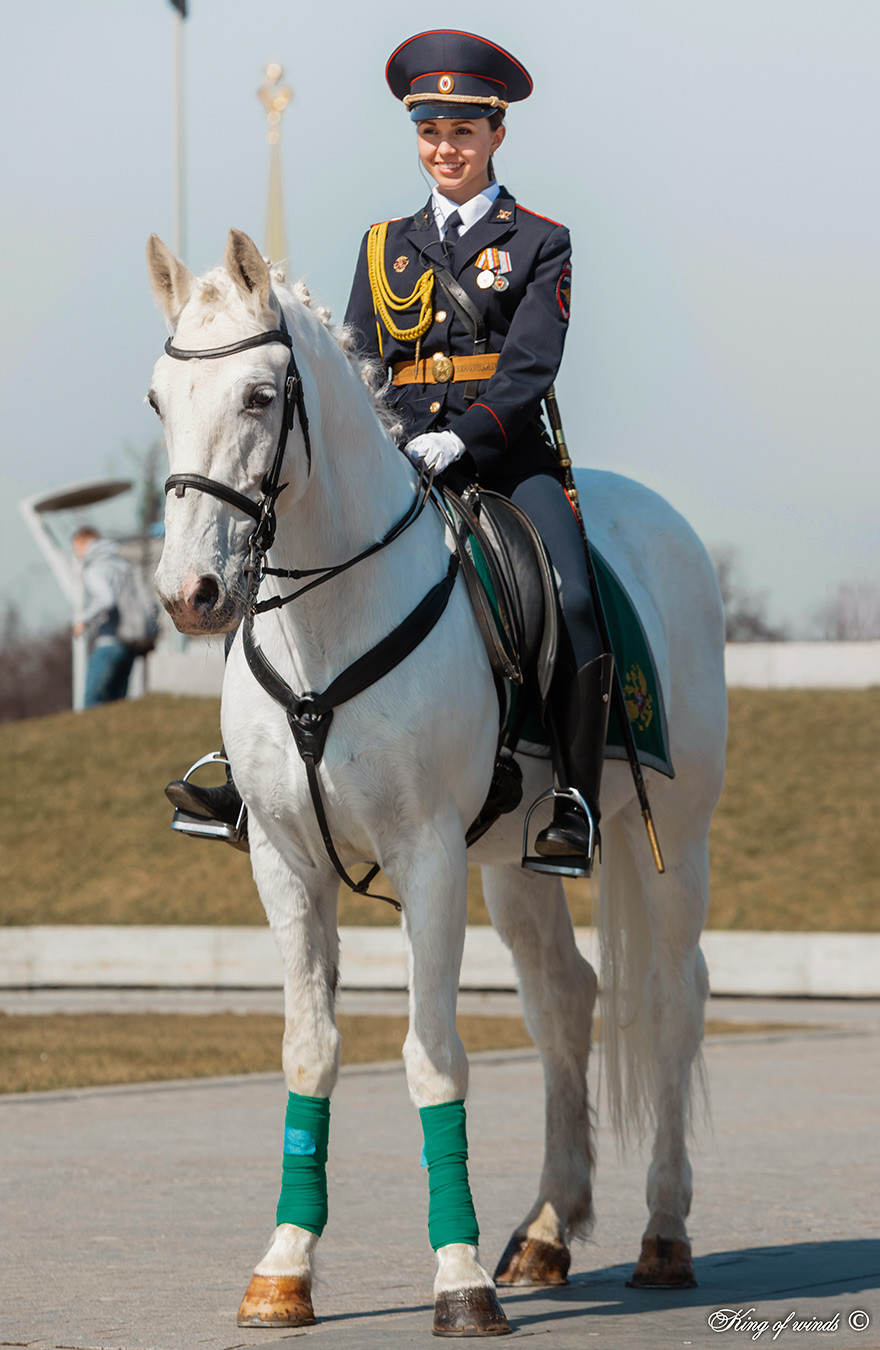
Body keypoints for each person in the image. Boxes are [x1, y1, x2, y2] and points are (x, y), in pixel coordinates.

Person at [169, 29, 609, 864]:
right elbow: (356, 364)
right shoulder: (384, 246)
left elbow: (529, 368)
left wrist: (466, 437)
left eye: (464, 133)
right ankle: (244, 774)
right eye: (431, 134)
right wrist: (396, 441)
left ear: (496, 135)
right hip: (398, 455)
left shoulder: (540, 241)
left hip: (506, 459)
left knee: (572, 595)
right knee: (266, 567)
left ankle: (573, 799)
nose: (446, 149)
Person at [72, 526, 138, 707]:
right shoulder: (120, 564)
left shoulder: (93, 568)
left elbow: (106, 599)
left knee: (92, 703)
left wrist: (83, 619)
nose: (76, 554)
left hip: (108, 641)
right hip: (130, 642)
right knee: (116, 706)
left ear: (84, 543)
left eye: (76, 548)